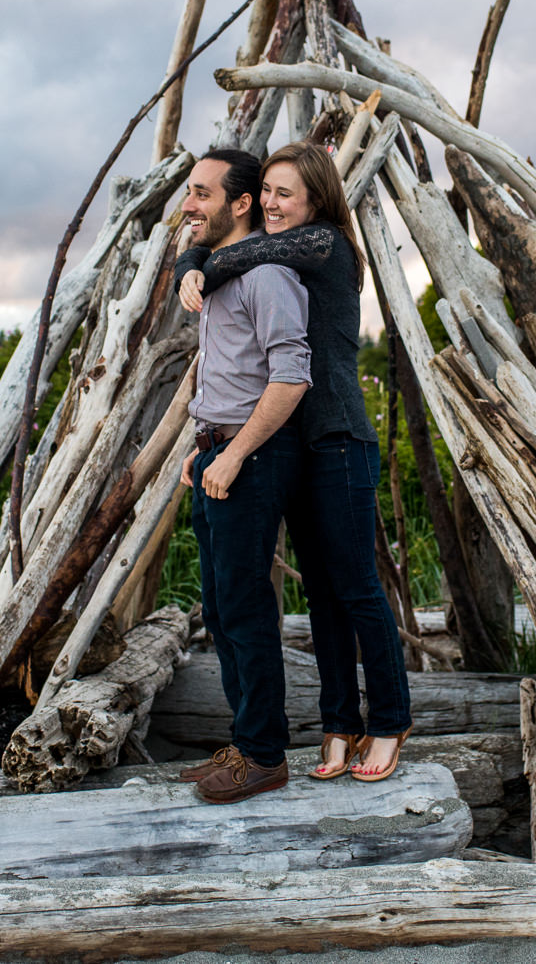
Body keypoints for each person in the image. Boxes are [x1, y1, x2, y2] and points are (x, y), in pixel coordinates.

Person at [176, 141, 414, 784]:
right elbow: (234, 251)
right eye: (270, 192)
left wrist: (196, 261)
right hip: (299, 444)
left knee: (358, 588)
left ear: (315, 199)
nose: (277, 205)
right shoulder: (281, 255)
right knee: (327, 595)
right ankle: (339, 725)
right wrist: (195, 260)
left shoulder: (325, 245)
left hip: (338, 436)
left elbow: (246, 251)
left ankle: (389, 719)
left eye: (287, 194)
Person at [172, 146, 312, 804]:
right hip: (218, 451)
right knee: (222, 606)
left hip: (253, 457)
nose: (189, 204)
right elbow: (226, 369)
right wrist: (198, 445)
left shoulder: (268, 276)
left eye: (201, 193)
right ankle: (244, 740)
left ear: (241, 203)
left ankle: (263, 754)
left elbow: (291, 379)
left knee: (246, 606)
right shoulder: (222, 272)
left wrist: (230, 455)